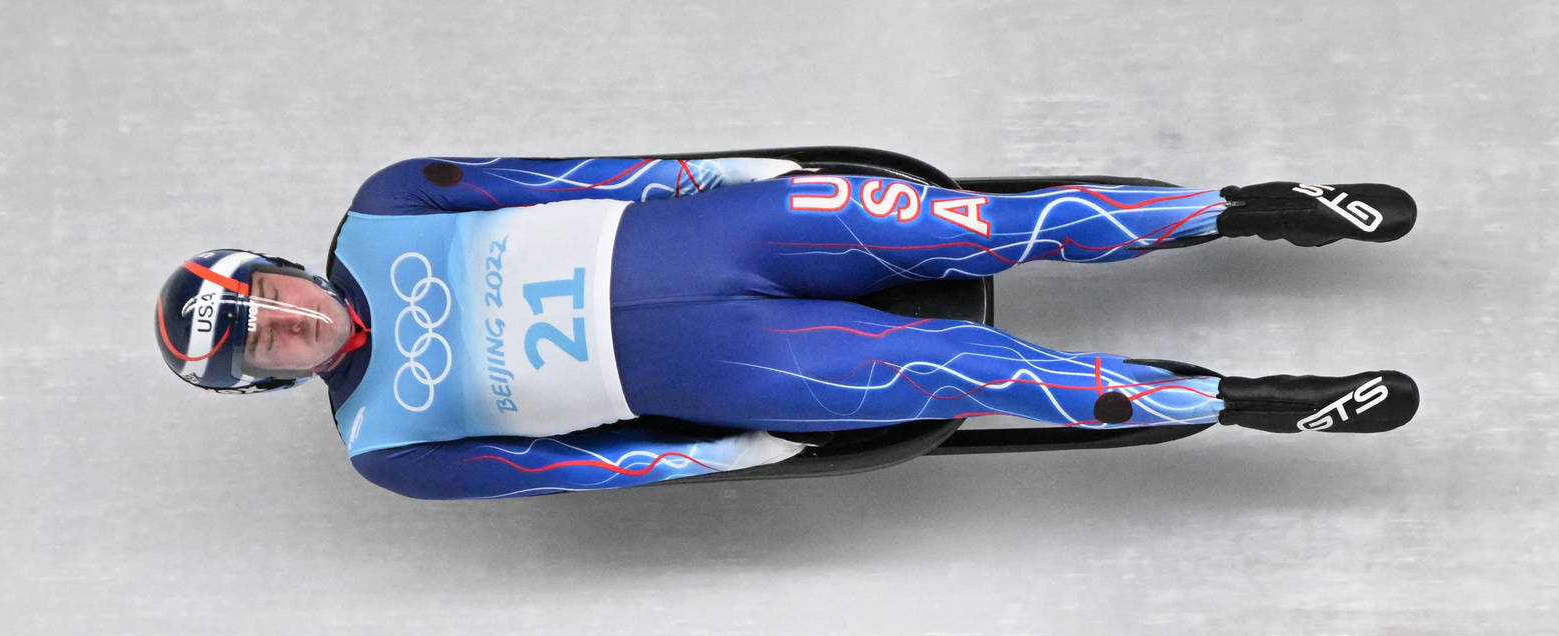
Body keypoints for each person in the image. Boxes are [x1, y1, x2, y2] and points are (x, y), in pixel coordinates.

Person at [155, 154, 1419, 499]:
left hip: (726, 233)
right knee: (977, 368)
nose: (293, 321)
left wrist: (735, 171)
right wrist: (732, 454)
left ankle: (1247, 208)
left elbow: (564, 176)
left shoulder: (386, 208)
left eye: (271, 296)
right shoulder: (389, 445)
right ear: (268, 379)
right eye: (266, 341)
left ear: (281, 267)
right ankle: (1251, 402)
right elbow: (574, 470)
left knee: (981, 224)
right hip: (731, 368)